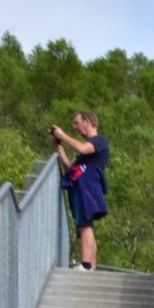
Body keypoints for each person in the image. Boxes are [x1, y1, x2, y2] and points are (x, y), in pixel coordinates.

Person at [51, 111, 110, 269]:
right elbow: (70, 166)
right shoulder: (85, 149)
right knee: (84, 225)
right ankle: (91, 267)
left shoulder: (98, 141)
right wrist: (59, 146)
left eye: (77, 123)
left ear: (88, 121)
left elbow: (83, 149)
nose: (75, 127)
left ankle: (86, 265)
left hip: (88, 185)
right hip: (80, 185)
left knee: (85, 224)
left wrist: (63, 135)